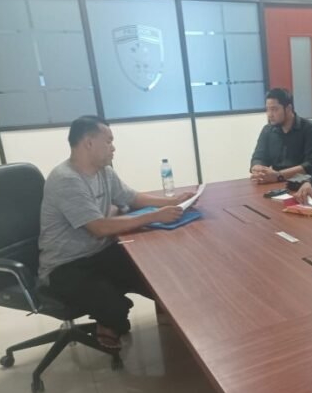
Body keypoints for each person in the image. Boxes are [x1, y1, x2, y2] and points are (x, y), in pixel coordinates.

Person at [39, 115, 196, 349]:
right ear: (89, 143)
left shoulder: (104, 171)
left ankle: (177, 324)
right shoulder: (66, 179)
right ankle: (108, 322)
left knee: (157, 275)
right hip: (66, 265)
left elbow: (132, 198)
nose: (113, 148)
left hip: (99, 253)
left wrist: (171, 202)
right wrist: (153, 216)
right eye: (109, 141)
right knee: (116, 308)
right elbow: (99, 228)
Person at [250, 87, 312, 184]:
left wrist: (279, 175)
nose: (269, 114)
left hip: (303, 184)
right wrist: (258, 169)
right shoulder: (268, 130)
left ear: (288, 108)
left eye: (274, 109)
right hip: (275, 183)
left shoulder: (310, 129)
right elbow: (258, 157)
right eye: (267, 109)